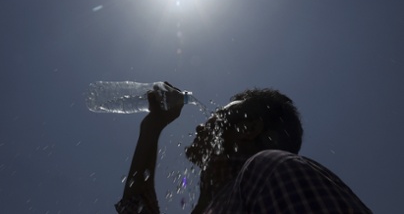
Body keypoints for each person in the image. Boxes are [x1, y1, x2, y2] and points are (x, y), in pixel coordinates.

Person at [115, 83, 371, 213]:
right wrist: (152, 126)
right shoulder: (215, 204)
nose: (201, 128)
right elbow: (136, 207)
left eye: (216, 116)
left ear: (247, 129)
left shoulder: (270, 170)